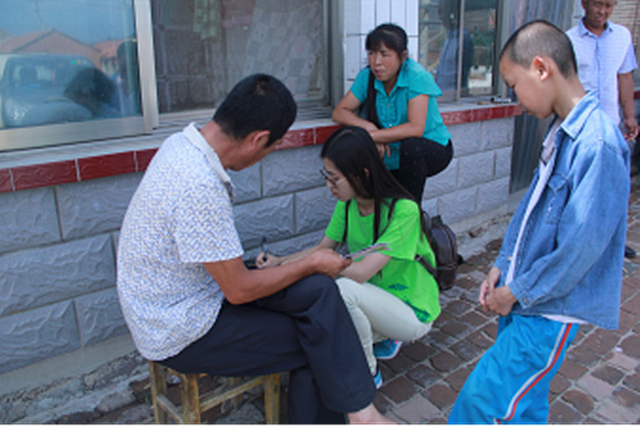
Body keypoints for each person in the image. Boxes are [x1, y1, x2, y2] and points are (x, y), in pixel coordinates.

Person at [117, 74, 392, 425]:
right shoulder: (199, 186)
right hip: (179, 328)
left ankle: (362, 414)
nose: (269, 153)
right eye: (272, 146)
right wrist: (310, 263)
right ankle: (363, 416)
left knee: (320, 293)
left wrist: (306, 266)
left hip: (190, 292)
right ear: (258, 139)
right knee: (318, 338)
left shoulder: (181, 144)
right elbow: (239, 290)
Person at [448, 20, 629, 425]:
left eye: (514, 85)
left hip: (547, 309)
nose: (516, 101)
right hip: (528, 296)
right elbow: (532, 207)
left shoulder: (596, 144)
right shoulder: (563, 129)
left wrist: (517, 291)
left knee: (481, 402)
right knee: (524, 406)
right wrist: (503, 264)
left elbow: (580, 249)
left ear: (541, 68)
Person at [257, 126, 441, 389]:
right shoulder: (348, 204)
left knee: (344, 290)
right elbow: (322, 248)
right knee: (329, 323)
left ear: (362, 173)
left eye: (334, 179)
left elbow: (361, 273)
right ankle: (379, 338)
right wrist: (280, 262)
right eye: (326, 176)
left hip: (413, 309)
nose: (328, 185)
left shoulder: (404, 211)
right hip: (378, 298)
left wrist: (314, 265)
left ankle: (367, 375)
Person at [332, 23, 453, 203]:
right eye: (372, 53)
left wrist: (372, 137)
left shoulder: (416, 76)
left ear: (402, 56)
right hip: (391, 154)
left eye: (384, 54)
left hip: (430, 148)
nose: (376, 62)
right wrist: (368, 127)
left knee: (411, 149)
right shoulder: (367, 77)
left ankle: (412, 211)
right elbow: (340, 112)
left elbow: (415, 128)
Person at [567, 0, 638, 258]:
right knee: (580, 187)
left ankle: (613, 242)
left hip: (610, 125)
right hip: (581, 127)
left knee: (614, 186)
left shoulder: (622, 36)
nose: (603, 11)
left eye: (609, 6)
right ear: (584, 3)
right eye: (598, 4)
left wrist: (629, 116)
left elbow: (624, 76)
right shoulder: (569, 40)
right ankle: (577, 242)